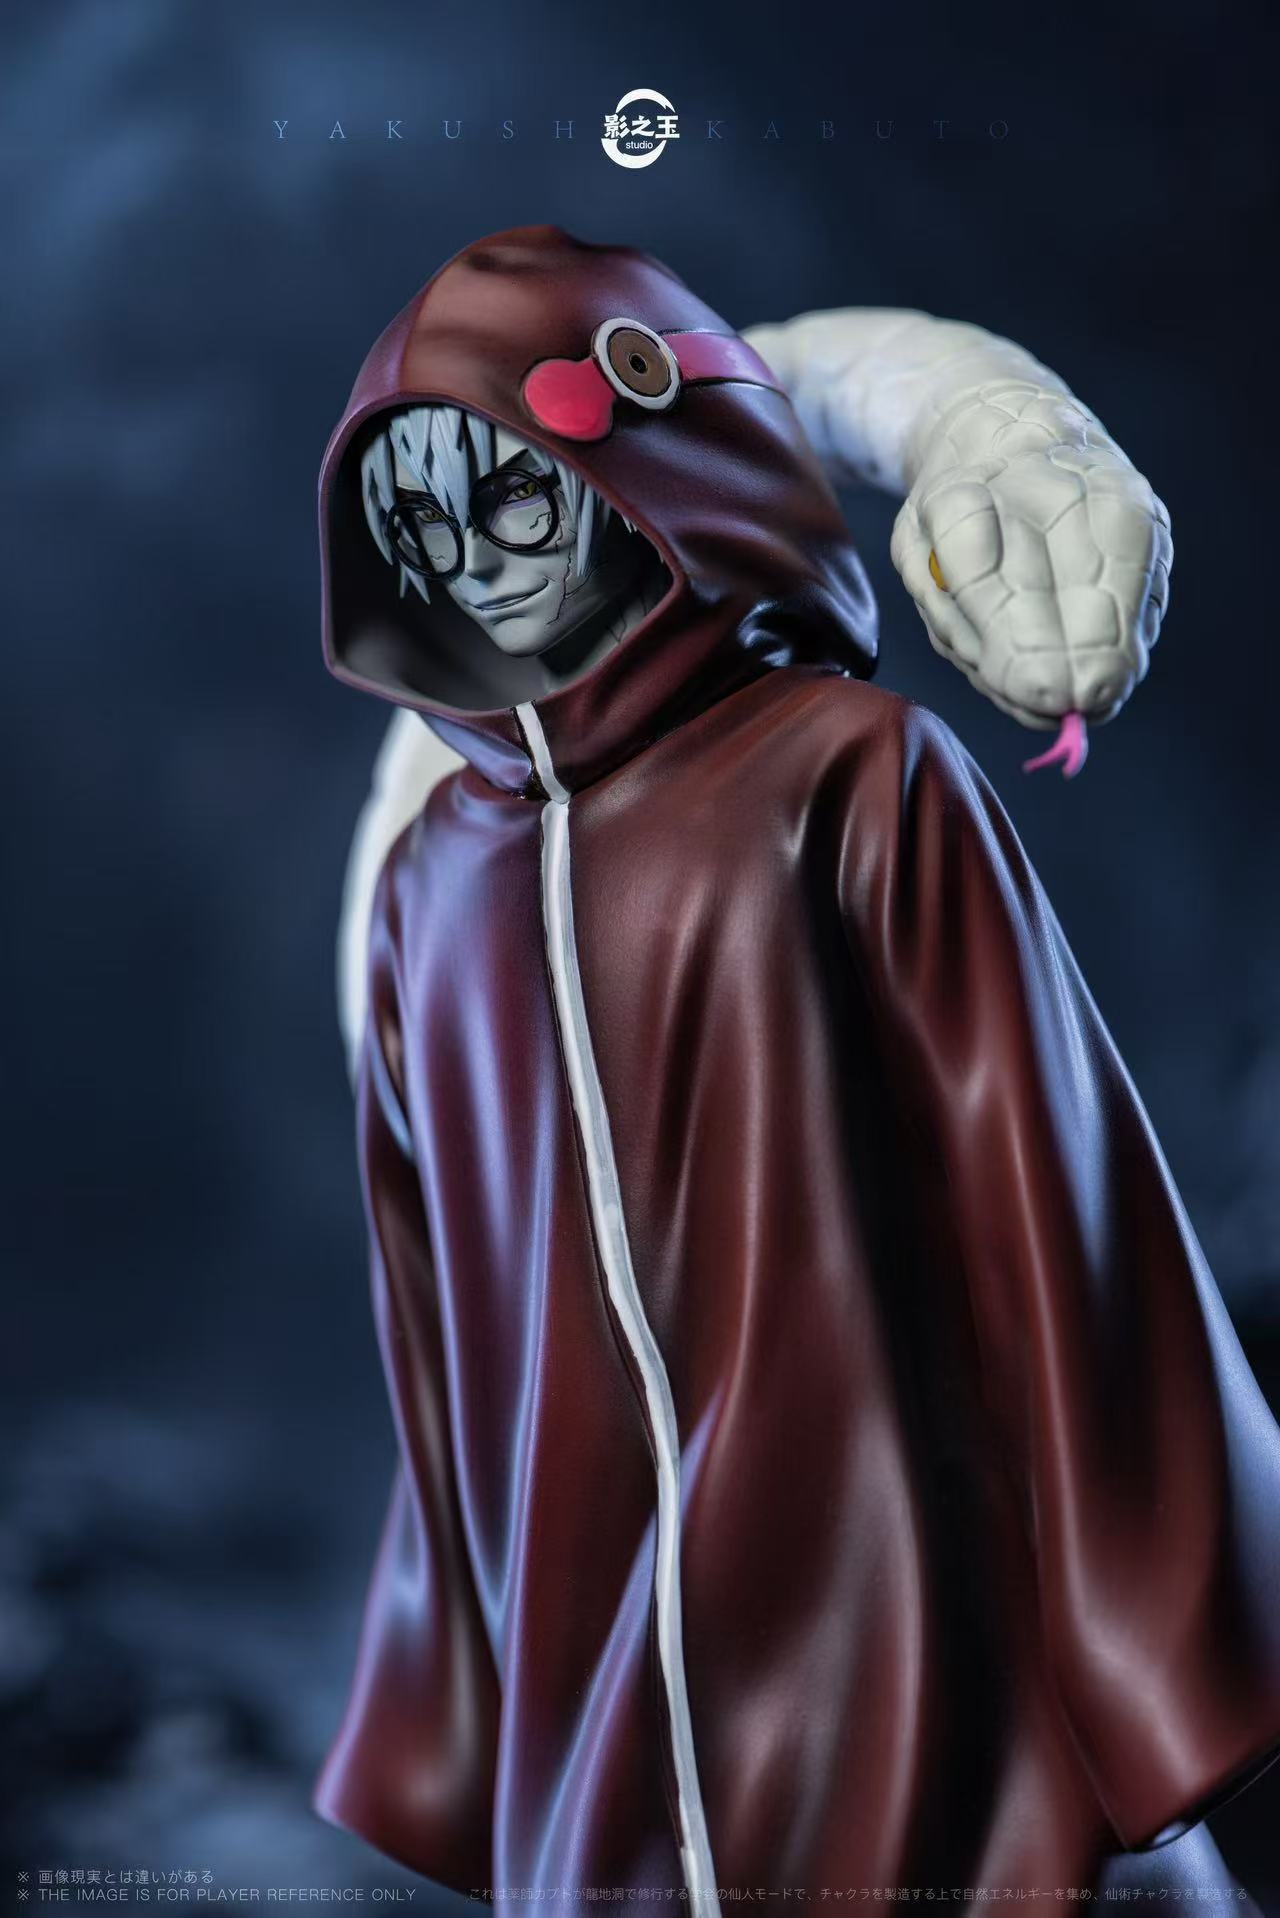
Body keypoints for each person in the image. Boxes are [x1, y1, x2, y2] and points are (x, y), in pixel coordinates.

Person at [314, 225, 1279, 1908]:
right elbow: (435, 1312)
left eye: (514, 495)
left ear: (633, 471)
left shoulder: (851, 775)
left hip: (898, 1600)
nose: (475, 562)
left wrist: (1138, 1640)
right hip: (596, 1686)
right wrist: (454, 1698)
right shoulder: (429, 892)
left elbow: (1049, 1195)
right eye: (423, 529)